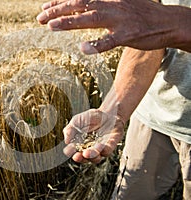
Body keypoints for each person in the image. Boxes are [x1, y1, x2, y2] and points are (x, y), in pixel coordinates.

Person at [37, 0, 191, 199]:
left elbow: (159, 23)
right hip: (152, 113)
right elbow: (148, 32)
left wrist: (175, 22)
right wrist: (113, 111)